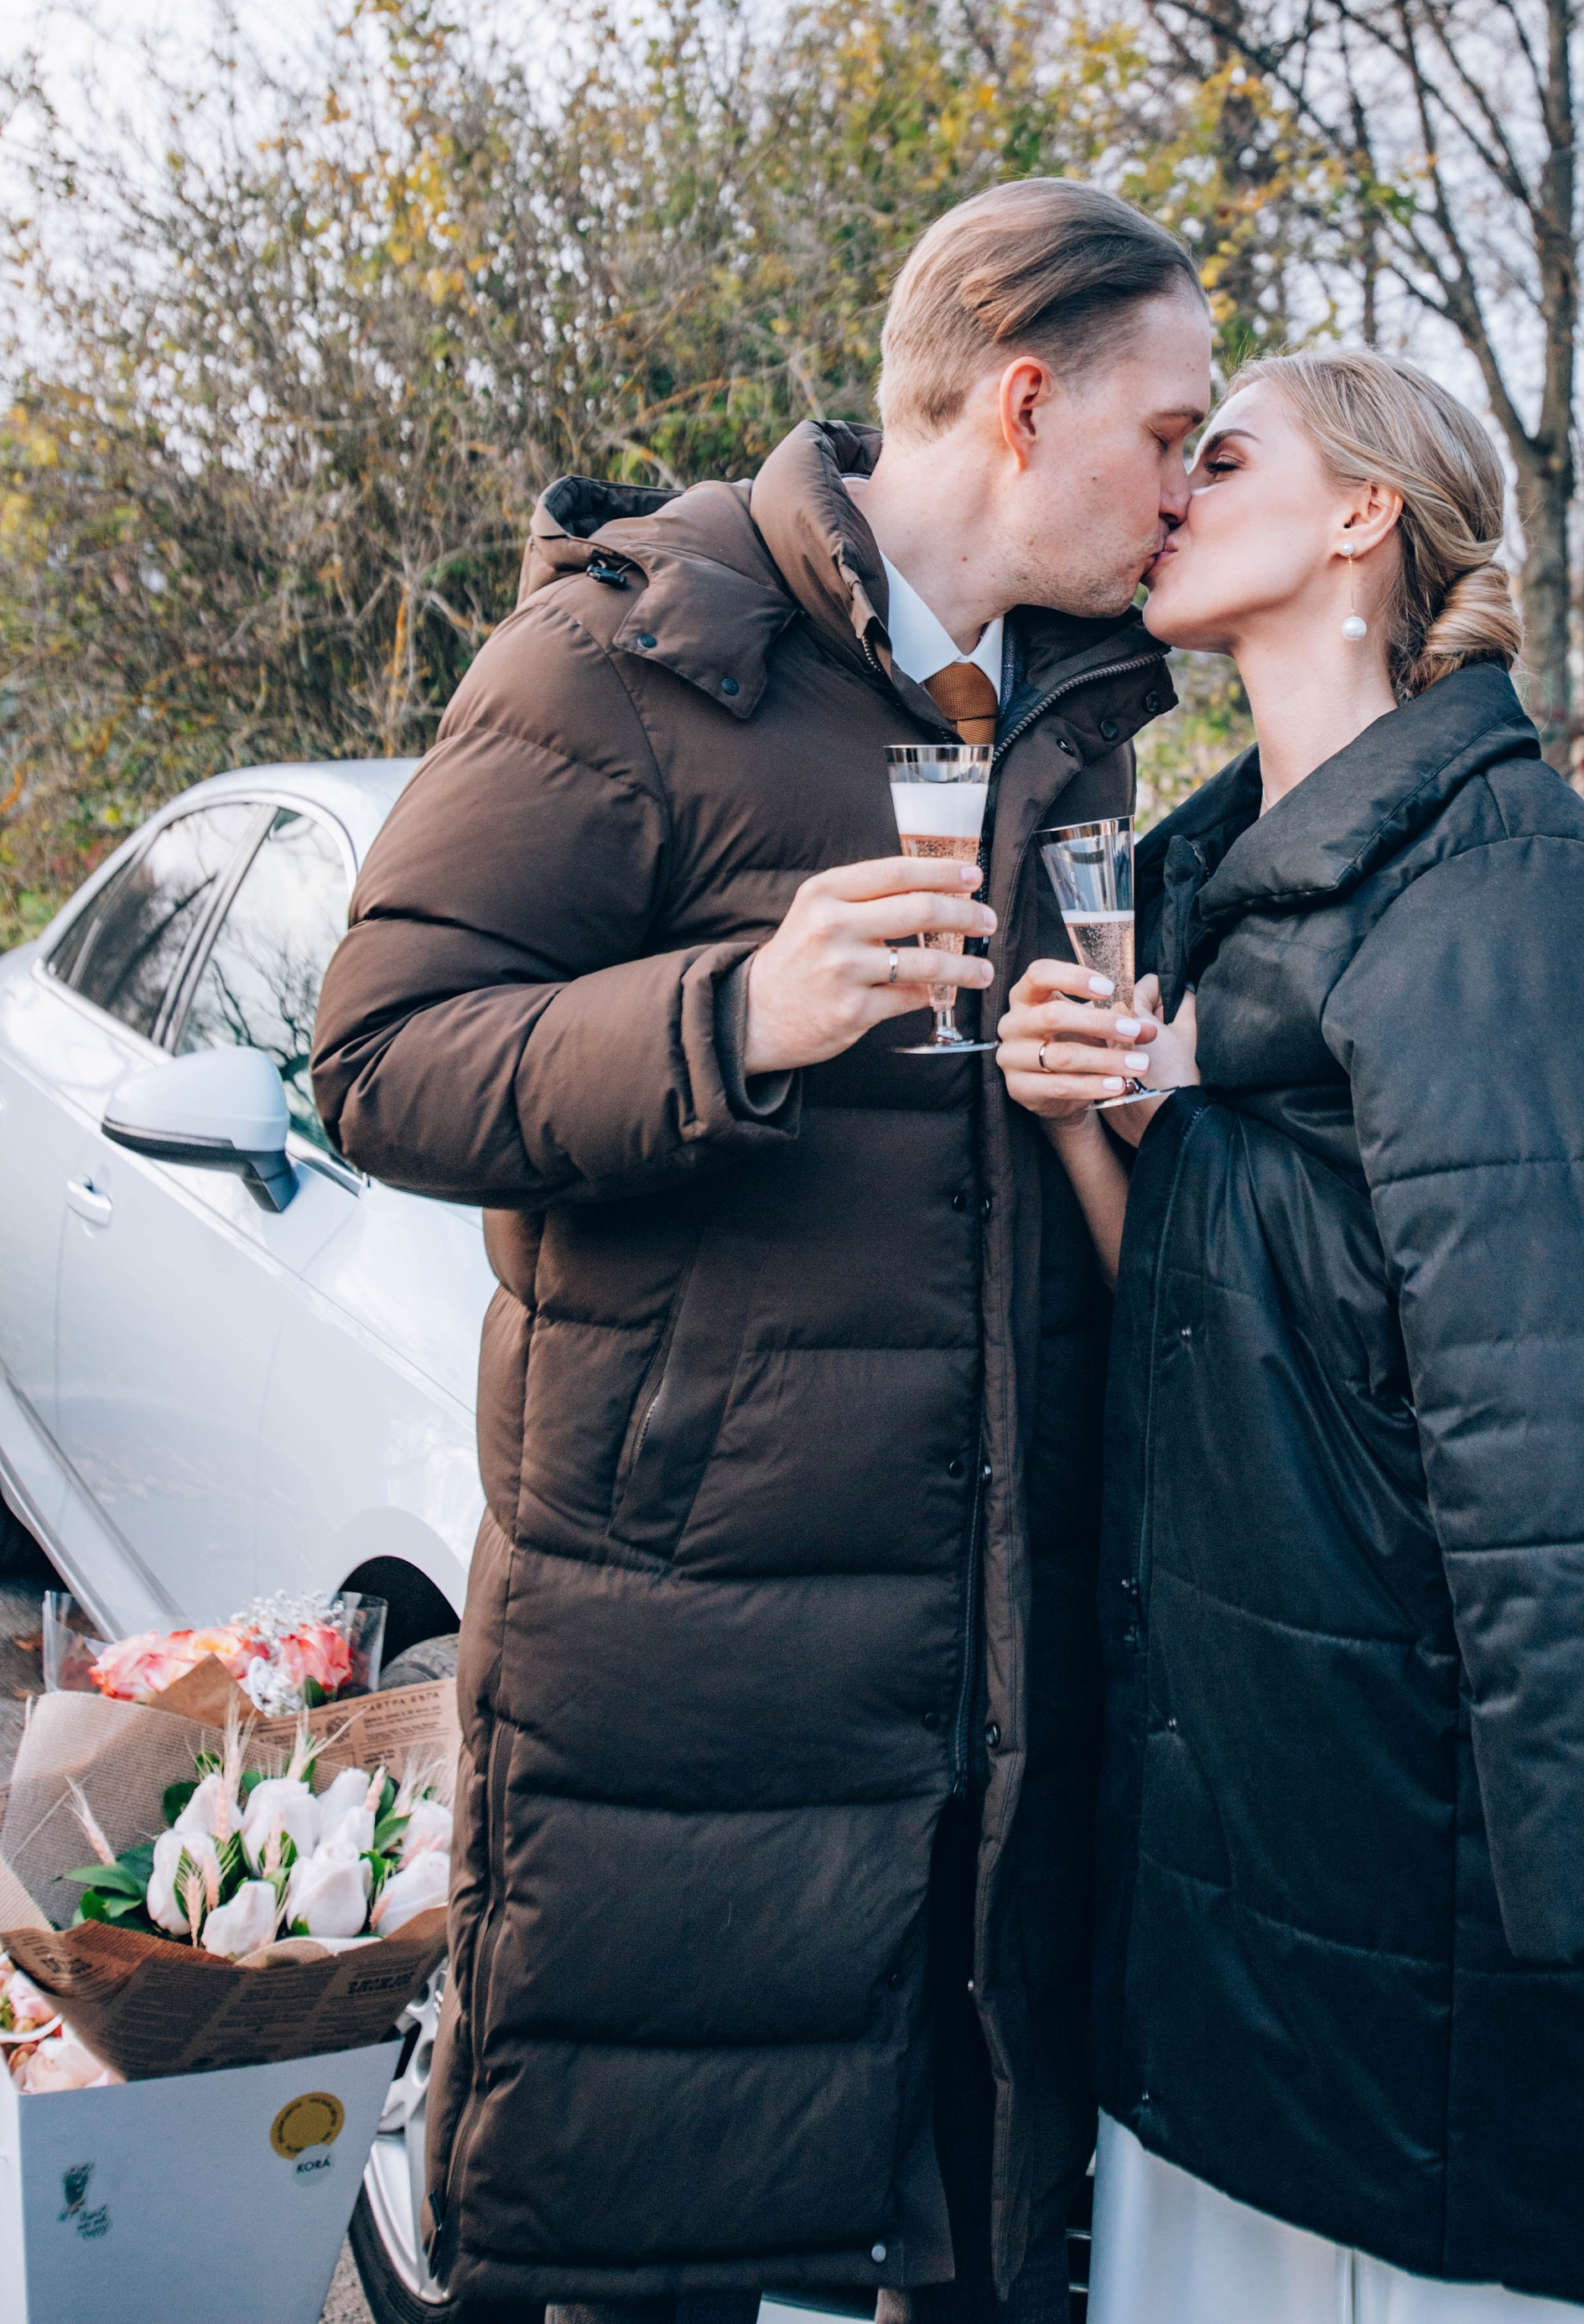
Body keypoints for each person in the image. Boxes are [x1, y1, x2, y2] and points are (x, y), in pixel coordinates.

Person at [310, 182, 1212, 2324]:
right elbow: (377, 1060)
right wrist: (733, 1014)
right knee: (655, 2242)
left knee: (974, 2239)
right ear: (1021, 402)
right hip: (692, 1662)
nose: (1192, 479)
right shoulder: (625, 652)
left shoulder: (1088, 708)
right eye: (1169, 430)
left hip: (990, 1668)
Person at [997, 350, 1584, 2324]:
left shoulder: (1511, 896)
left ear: (1360, 518)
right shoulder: (1197, 894)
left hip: (1430, 1950)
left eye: (1225, 453)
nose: (1169, 489)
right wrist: (1095, 1129)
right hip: (1247, 1881)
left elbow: (1576, 1491)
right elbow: (1199, 1347)